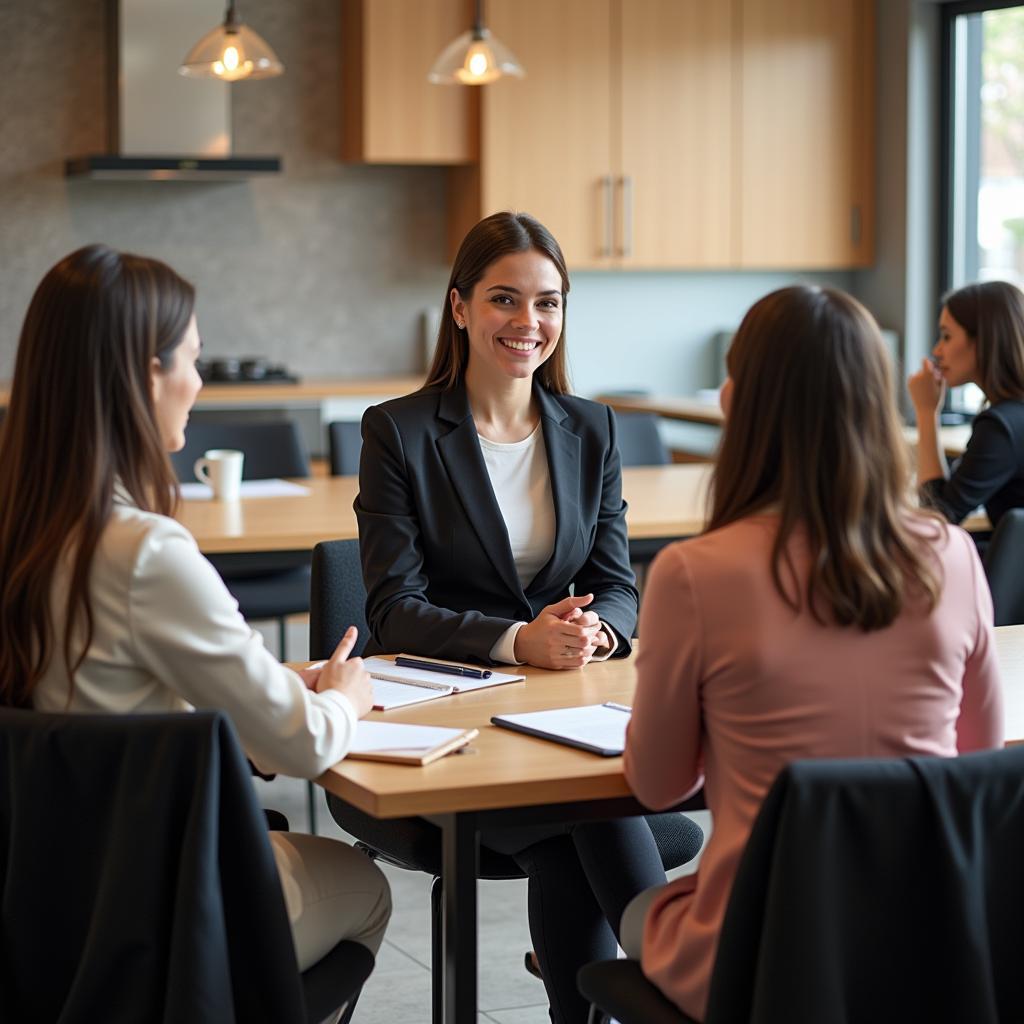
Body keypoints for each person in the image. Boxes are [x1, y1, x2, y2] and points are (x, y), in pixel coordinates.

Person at [331, 211, 702, 1023]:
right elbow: (393, 609)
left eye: (548, 303)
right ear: (459, 307)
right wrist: (518, 640)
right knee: (595, 812)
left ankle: (630, 1002)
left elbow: (616, 583)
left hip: (565, 720)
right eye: (505, 300)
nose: (528, 324)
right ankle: (681, 985)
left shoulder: (592, 429)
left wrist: (598, 628)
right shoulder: (398, 431)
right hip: (451, 736)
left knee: (575, 835)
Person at [0, 245, 391, 977]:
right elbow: (304, 746)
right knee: (364, 887)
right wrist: (343, 698)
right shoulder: (144, 552)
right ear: (147, 374)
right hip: (151, 900)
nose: (200, 382)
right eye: (193, 359)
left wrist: (262, 684)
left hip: (41, 890)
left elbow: (101, 696)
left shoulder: (26, 526)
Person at [622, 285, 1004, 1022]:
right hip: (928, 946)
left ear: (738, 400)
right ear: (873, 404)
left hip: (762, 951)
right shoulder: (952, 556)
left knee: (635, 914)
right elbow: (978, 757)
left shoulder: (694, 573)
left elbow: (658, 785)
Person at [908, 280, 1024, 530]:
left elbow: (935, 520)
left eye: (947, 337)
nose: (937, 351)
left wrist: (926, 411)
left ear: (983, 341)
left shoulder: (1000, 427)